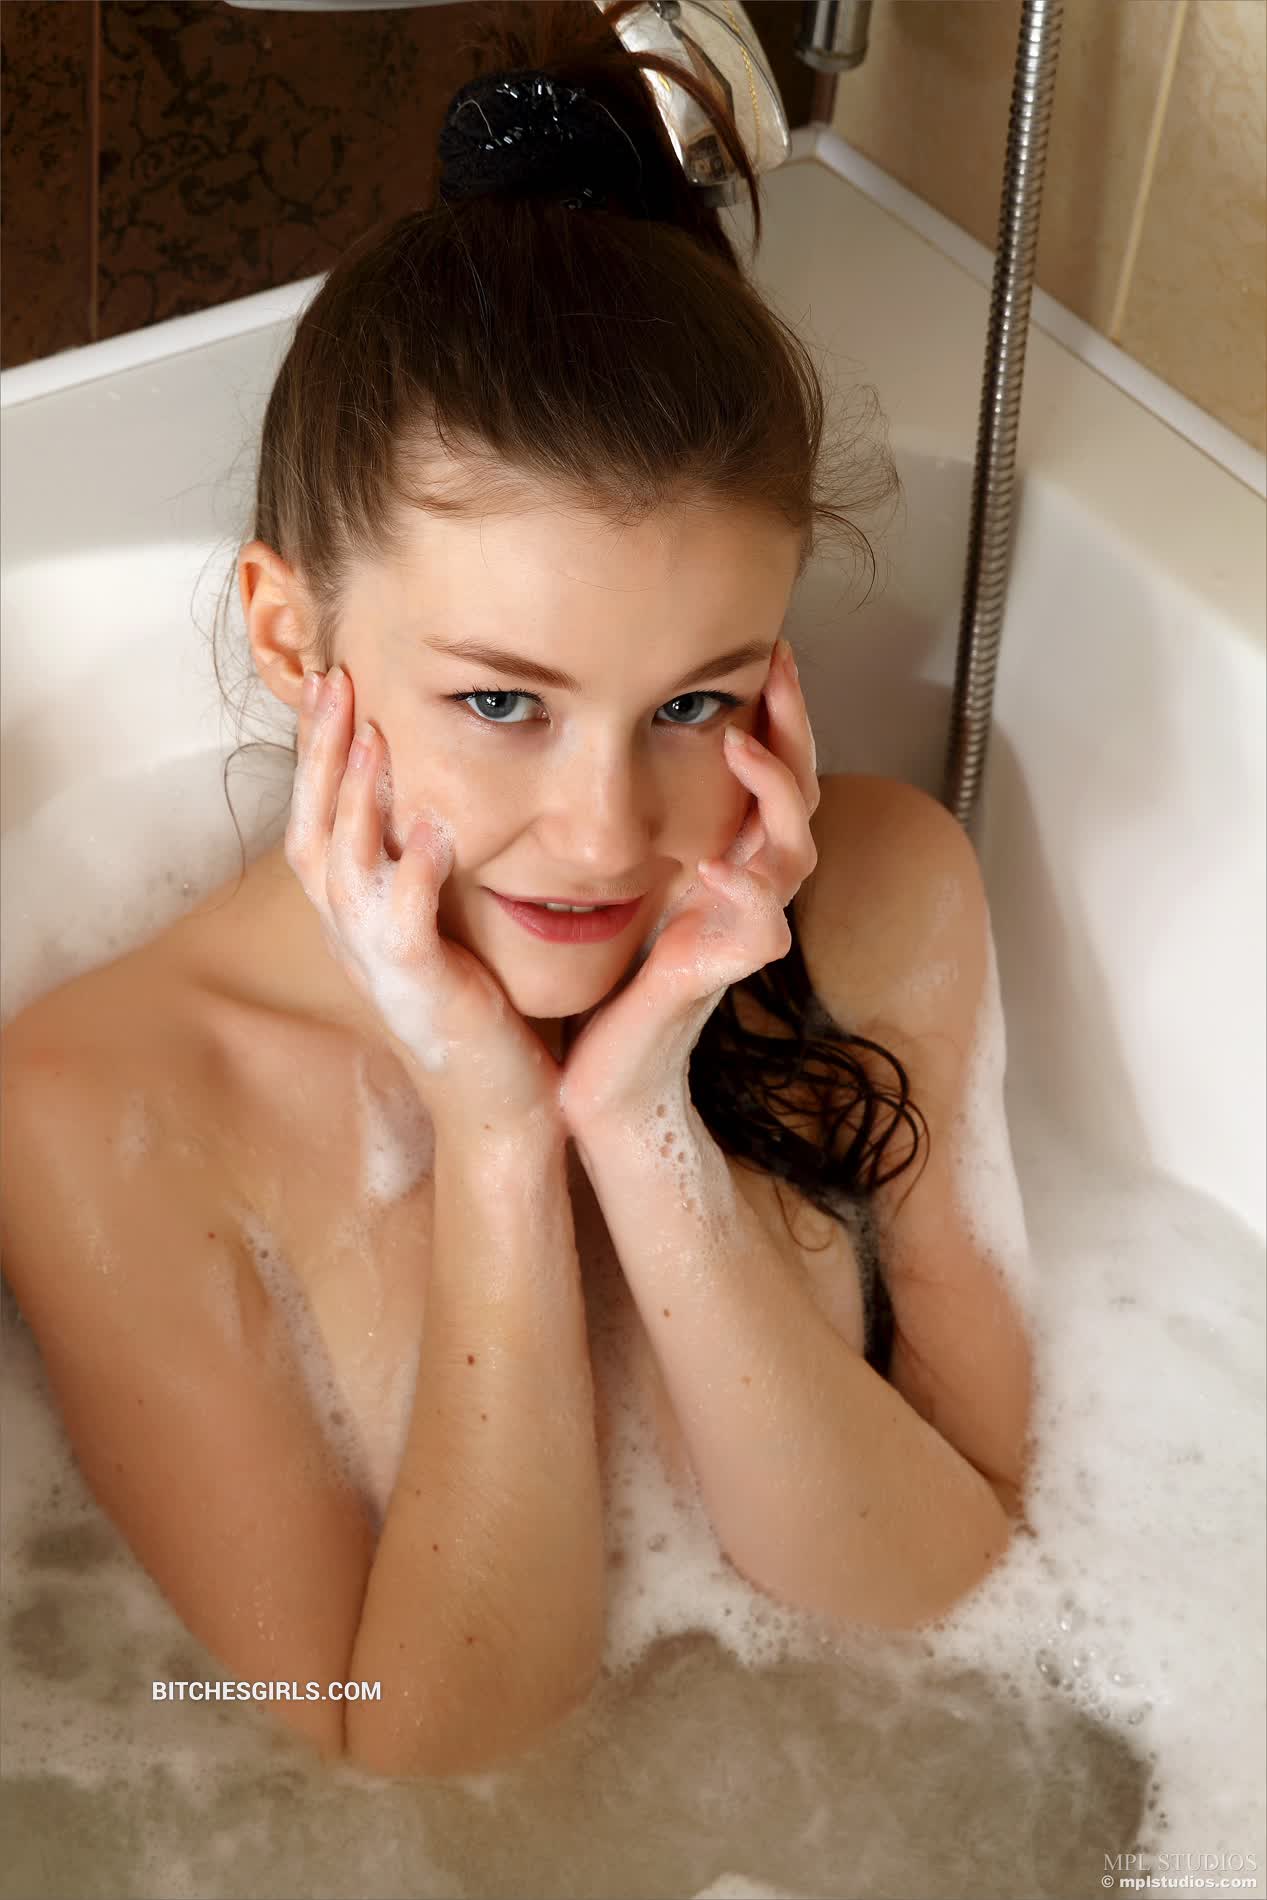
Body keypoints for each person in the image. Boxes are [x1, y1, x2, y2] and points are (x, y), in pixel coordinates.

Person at [0, 0, 1034, 1784]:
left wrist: (639, 1117)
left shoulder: (881, 904)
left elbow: (942, 1603)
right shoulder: (104, 1104)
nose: (605, 835)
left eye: (694, 702)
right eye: (502, 703)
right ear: (291, 639)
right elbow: (418, 1767)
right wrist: (492, 1133)